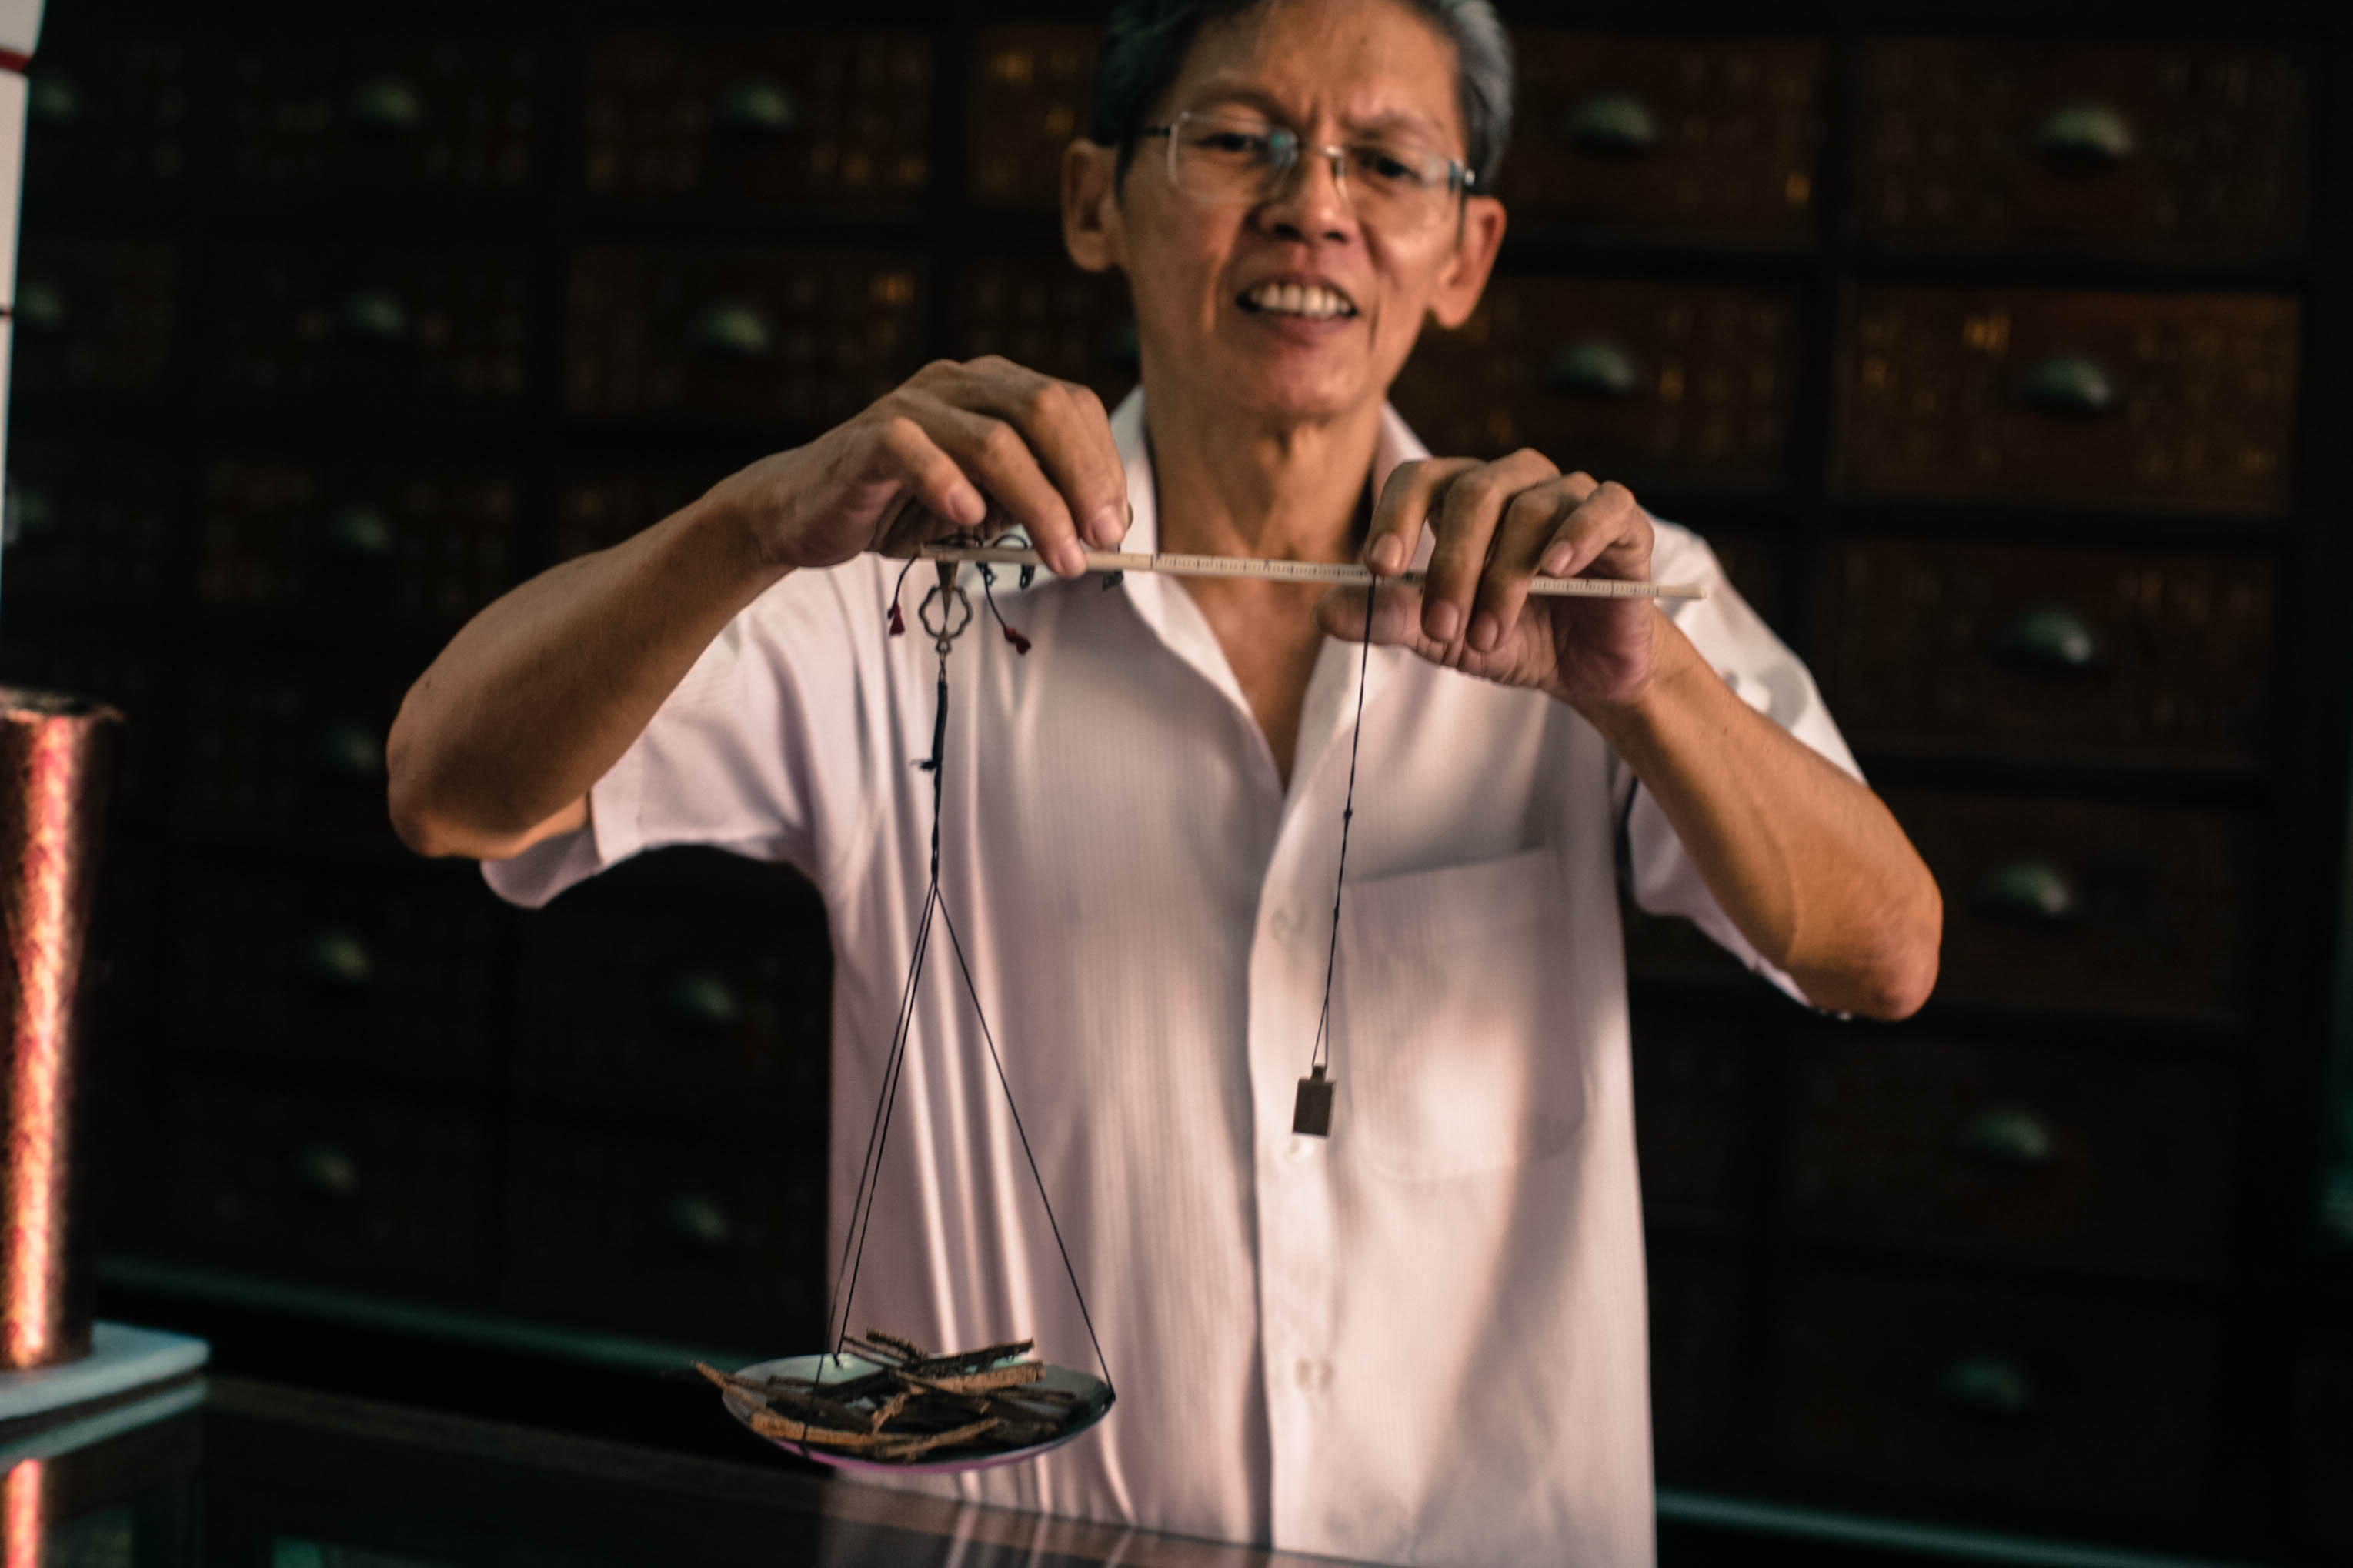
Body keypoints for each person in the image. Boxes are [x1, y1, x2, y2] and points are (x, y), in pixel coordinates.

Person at [387, 0, 1941, 1560]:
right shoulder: (894, 588)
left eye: (1384, 161)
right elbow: (448, 789)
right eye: (1234, 137)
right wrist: (746, 525)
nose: (1311, 204)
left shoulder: (1599, 596)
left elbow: (1883, 954)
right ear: (1093, 200)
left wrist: (1648, 687)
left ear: (1461, 254)